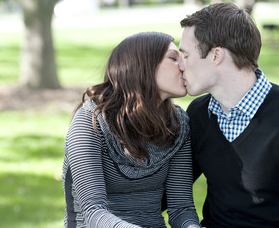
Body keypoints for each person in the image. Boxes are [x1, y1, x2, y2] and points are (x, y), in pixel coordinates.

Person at [62, 32, 201, 228]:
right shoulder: (90, 122)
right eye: (173, 58)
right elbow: (93, 213)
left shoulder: (178, 124)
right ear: (143, 65)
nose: (183, 66)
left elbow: (181, 209)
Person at [179, 2, 279, 227]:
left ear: (216, 55)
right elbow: (171, 191)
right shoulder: (199, 114)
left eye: (185, 55)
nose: (180, 65)